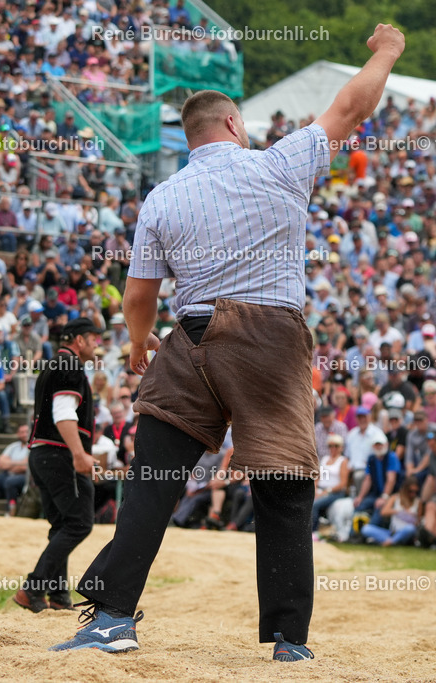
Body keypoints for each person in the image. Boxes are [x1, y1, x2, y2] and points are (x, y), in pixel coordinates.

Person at [53, 24, 406, 660]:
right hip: (267, 337)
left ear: (189, 139)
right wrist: (387, 51)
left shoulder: (161, 196)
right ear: (235, 126)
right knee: (282, 486)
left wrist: (139, 347)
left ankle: (109, 619)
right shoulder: (279, 163)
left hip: (188, 339)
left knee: (153, 480)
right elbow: (352, 106)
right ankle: (287, 641)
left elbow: (139, 297)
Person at [13, 317, 101, 614]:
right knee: (79, 523)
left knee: (62, 524)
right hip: (61, 453)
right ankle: (33, 588)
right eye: (93, 338)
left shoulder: (53, 365)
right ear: (79, 340)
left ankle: (59, 596)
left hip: (41, 454)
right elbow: (64, 413)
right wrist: (78, 454)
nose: (97, 344)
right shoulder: (70, 366)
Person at [360, 475, 421, 546]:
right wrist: (399, 511)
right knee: (366, 529)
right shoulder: (395, 497)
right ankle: (393, 541)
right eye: (410, 491)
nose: (413, 494)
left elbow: (418, 522)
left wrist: (411, 517)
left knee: (410, 528)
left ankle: (390, 542)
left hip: (406, 533)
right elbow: (383, 512)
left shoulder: (418, 502)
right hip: (392, 532)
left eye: (415, 492)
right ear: (405, 489)